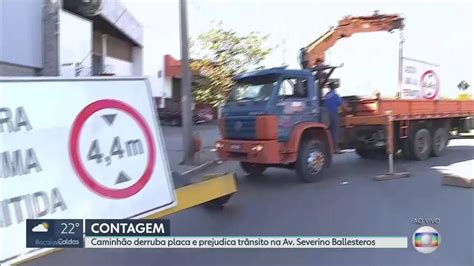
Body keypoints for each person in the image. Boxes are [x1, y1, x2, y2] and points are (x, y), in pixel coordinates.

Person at [324, 81, 343, 153]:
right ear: (334, 88)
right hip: (334, 114)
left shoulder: (326, 95)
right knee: (335, 131)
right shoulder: (335, 95)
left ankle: (329, 148)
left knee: (329, 131)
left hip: (326, 115)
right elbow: (341, 103)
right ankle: (336, 148)